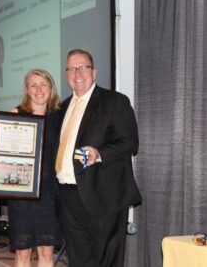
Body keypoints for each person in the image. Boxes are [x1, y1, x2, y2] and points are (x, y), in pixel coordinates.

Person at [54, 49, 142, 267]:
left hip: (103, 195)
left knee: (105, 261)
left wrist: (100, 154)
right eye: (71, 69)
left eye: (83, 67)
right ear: (67, 74)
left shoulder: (114, 101)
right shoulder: (61, 108)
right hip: (67, 195)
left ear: (94, 72)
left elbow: (130, 142)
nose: (77, 73)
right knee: (78, 260)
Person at [0, 69, 63, 267]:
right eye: (33, 85)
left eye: (43, 84)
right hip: (22, 193)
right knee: (23, 251)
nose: (39, 89)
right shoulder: (14, 114)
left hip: (50, 193)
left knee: (46, 249)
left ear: (51, 87)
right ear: (27, 90)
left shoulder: (59, 117)